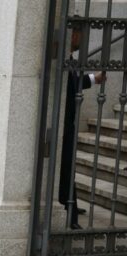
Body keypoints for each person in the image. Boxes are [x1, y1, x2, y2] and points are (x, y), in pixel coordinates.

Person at [59, 23, 107, 229]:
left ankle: (68, 203)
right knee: (66, 166)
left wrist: (92, 79)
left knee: (67, 165)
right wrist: (92, 79)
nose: (83, 40)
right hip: (63, 122)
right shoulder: (63, 56)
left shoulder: (67, 57)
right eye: (81, 35)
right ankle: (69, 210)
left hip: (67, 121)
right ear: (73, 34)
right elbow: (69, 86)